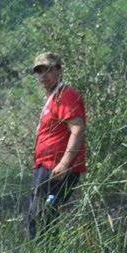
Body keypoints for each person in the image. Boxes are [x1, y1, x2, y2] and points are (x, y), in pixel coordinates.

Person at [24, 51, 87, 239]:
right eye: (39, 71)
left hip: (56, 167)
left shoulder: (65, 95)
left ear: (59, 70)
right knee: (41, 216)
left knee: (40, 216)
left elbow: (77, 129)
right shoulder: (53, 97)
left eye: (48, 70)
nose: (43, 75)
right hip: (45, 165)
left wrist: (64, 163)